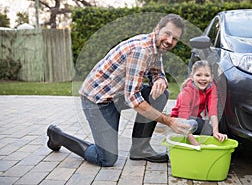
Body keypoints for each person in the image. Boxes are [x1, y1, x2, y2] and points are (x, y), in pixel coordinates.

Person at [46, 14, 191, 167]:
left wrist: (160, 79)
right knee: (106, 158)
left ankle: (140, 150)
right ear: (157, 29)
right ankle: (57, 136)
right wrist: (168, 121)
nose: (169, 41)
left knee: (161, 95)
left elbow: (156, 71)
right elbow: (133, 99)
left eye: (175, 38)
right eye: (167, 34)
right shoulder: (141, 50)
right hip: (98, 101)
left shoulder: (155, 47)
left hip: (117, 96)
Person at [171, 60, 228, 146]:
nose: (203, 79)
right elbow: (183, 119)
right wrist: (195, 143)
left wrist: (216, 132)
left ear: (212, 77)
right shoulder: (187, 92)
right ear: (192, 76)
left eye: (207, 75)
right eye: (198, 75)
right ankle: (187, 139)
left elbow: (213, 111)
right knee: (198, 125)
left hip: (194, 120)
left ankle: (192, 137)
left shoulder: (211, 88)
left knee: (209, 129)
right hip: (179, 121)